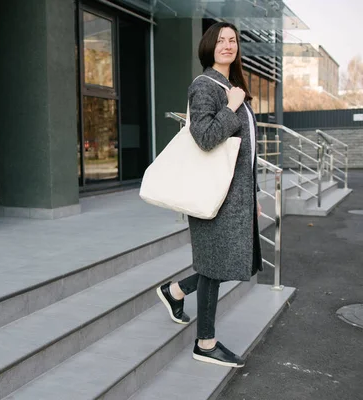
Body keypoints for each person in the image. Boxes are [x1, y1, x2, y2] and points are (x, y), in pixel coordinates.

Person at [156, 21, 263, 368]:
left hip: (233, 197)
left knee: (221, 263)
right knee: (215, 265)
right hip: (214, 196)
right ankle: (205, 342)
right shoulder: (205, 86)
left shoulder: (233, 86)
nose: (228, 45)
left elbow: (247, 150)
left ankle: (175, 292)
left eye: (233, 40)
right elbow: (204, 137)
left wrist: (254, 193)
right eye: (221, 40)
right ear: (209, 46)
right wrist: (232, 108)